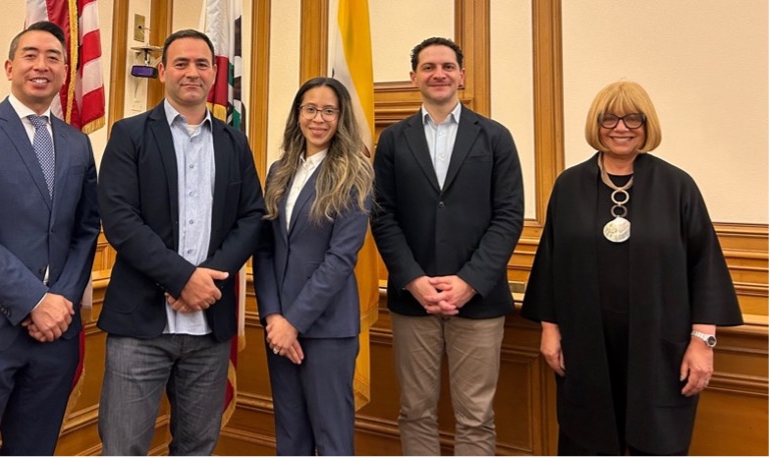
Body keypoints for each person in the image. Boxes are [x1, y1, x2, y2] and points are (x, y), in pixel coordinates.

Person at [520, 81, 743, 455]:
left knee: (654, 440)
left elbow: (704, 265)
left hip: (660, 346)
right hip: (586, 344)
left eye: (632, 118)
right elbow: (551, 262)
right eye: (610, 118)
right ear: (597, 123)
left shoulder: (677, 186)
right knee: (587, 438)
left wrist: (703, 343)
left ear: (646, 124)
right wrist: (550, 329)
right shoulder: (569, 185)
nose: (620, 127)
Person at [96, 29, 264, 455]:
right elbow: (120, 220)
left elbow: (251, 218)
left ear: (214, 74)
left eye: (202, 64)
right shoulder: (129, 135)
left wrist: (205, 284)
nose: (192, 72)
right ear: (162, 71)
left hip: (210, 326)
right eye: (182, 63)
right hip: (140, 325)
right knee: (123, 448)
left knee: (197, 447)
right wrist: (182, 278)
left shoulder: (233, 140)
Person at [0, 21, 100, 455]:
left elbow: (86, 230)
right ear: (10, 66)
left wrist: (61, 301)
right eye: (30, 55)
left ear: (66, 72)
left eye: (53, 57)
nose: (41, 65)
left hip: (56, 337)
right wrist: (35, 301)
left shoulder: (77, 145)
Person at [370, 36, 524, 455]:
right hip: (413, 300)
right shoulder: (394, 141)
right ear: (413, 77)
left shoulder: (495, 137)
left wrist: (469, 281)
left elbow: (509, 216)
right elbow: (383, 216)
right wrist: (413, 280)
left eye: (447, 66)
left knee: (476, 417)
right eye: (428, 67)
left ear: (461, 74)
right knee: (415, 411)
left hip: (479, 301)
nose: (438, 73)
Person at [253, 77, 373, 455]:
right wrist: (273, 317)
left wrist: (294, 322)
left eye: (328, 111)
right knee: (290, 437)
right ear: (297, 115)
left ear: (341, 119)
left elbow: (340, 259)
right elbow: (266, 249)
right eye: (310, 109)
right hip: (279, 330)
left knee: (331, 438)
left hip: (327, 330)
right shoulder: (280, 170)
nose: (318, 118)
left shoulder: (356, 174)